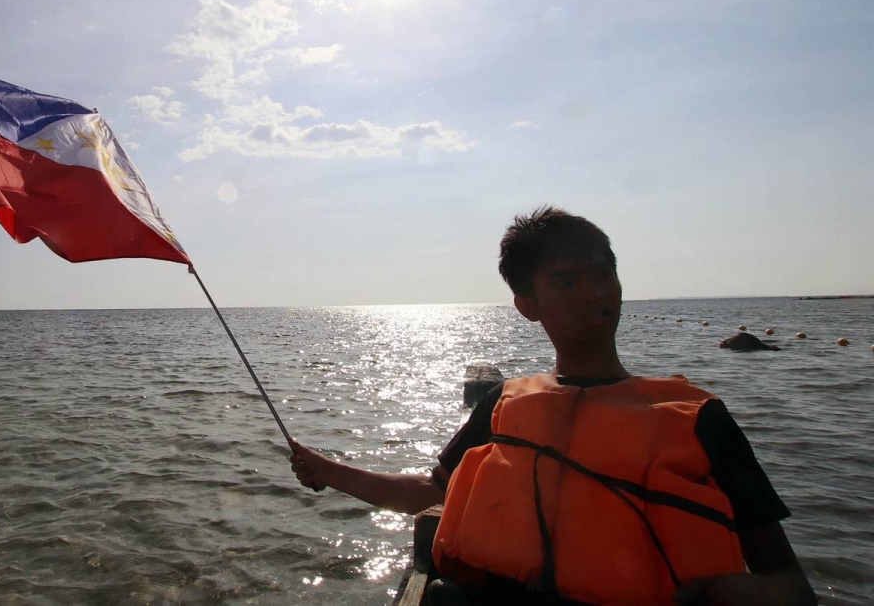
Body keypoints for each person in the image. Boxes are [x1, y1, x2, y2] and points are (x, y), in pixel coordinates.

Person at [289, 206, 815, 606]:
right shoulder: (502, 404)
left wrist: (710, 594)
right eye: (566, 281)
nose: (594, 294)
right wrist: (326, 469)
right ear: (527, 305)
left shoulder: (696, 418)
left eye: (602, 273)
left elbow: (790, 584)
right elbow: (426, 493)